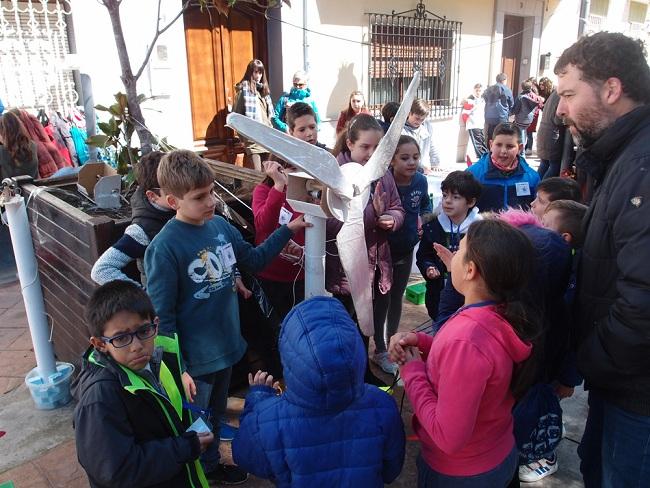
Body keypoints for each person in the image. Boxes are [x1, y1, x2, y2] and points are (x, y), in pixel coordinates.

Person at [144, 150, 309, 484]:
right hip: (195, 364)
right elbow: (164, 316)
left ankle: (210, 464)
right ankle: (197, 473)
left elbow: (255, 260)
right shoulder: (164, 249)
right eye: (200, 197)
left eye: (212, 191)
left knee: (215, 414)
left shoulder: (219, 226)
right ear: (173, 201)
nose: (211, 201)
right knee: (196, 421)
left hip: (226, 348)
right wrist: (179, 369)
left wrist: (288, 230)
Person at [554, 32, 650, 487]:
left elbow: (643, 300)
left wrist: (590, 357)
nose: (560, 110)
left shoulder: (643, 168)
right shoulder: (624, 158)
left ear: (611, 90)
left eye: (569, 94)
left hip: (637, 396)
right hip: (619, 384)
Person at [389, 219, 539, 487]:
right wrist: (424, 343)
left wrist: (412, 371)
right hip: (496, 453)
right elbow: (480, 364)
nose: (452, 256)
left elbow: (449, 437)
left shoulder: (467, 340)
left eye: (458, 250)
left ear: (470, 270)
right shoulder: (495, 314)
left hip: (462, 474)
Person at [232, 296, 405, 487]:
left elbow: (245, 456)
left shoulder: (267, 418)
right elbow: (391, 469)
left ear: (289, 357)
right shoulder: (382, 404)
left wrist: (258, 399)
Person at [72, 280, 212, 488]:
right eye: (121, 338)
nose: (137, 346)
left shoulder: (158, 359)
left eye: (144, 331)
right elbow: (117, 471)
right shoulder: (100, 397)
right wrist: (186, 447)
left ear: (155, 325)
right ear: (100, 344)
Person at [329, 114, 405, 386]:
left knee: (366, 325)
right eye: (365, 147)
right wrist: (374, 215)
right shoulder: (334, 174)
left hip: (376, 263)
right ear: (349, 143)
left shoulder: (382, 173)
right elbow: (332, 223)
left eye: (377, 148)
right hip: (347, 271)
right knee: (347, 326)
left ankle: (362, 374)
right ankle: (348, 378)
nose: (371, 154)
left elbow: (397, 206)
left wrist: (392, 219)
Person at [372, 135, 431, 375]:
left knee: (397, 298)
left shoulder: (421, 182)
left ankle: (395, 343)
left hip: (406, 250)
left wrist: (422, 218)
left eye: (415, 157)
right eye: (404, 157)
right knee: (381, 301)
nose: (411, 162)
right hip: (382, 252)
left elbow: (426, 206)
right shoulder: (381, 182)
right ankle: (379, 349)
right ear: (391, 160)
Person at [91, 151, 175, 286]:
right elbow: (102, 270)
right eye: (174, 190)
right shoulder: (143, 230)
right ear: (153, 195)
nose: (184, 193)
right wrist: (144, 297)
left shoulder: (182, 210)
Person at [416, 171, 482, 322]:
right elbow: (424, 255)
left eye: (455, 197)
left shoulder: (479, 229)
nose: (447, 201)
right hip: (439, 296)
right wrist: (429, 267)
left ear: (470, 202)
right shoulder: (434, 226)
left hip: (470, 299)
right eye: (445, 195)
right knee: (440, 330)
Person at [467, 122, 540, 212]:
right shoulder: (473, 175)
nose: (503, 151)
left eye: (510, 146)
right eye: (498, 145)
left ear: (520, 148)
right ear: (491, 145)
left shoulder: (532, 177)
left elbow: (537, 212)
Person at [233, 59, 275, 171]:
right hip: (253, 139)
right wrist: (243, 138)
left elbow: (268, 117)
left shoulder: (263, 91)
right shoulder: (244, 91)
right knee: (258, 174)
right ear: (249, 73)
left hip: (266, 138)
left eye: (260, 72)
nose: (258, 75)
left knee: (268, 173)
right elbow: (237, 118)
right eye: (255, 72)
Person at [401, 99, 441, 173]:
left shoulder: (427, 126)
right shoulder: (401, 130)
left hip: (426, 169)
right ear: (409, 113)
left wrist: (435, 163)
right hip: (408, 170)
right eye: (417, 118)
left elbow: (431, 145)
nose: (419, 122)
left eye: (422, 119)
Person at [0, 111, 38, 180]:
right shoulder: (32, 145)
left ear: (3, 133)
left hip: (11, 189)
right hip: (32, 188)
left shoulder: (2, 151)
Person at [512, 81, 544, 153]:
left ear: (522, 87)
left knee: (521, 135)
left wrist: (511, 113)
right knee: (527, 134)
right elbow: (540, 105)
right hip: (530, 119)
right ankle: (527, 148)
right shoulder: (535, 96)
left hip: (521, 119)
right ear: (531, 87)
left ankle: (521, 152)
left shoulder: (520, 97)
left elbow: (516, 110)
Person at [483, 73, 514, 141]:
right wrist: (509, 112)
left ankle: (491, 150)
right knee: (501, 135)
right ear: (504, 80)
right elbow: (511, 104)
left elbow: (484, 98)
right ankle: (498, 151)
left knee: (491, 135)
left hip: (489, 116)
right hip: (501, 116)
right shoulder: (507, 90)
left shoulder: (489, 89)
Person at [461, 83, 487, 159]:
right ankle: (481, 158)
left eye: (480, 90)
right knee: (477, 143)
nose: (478, 92)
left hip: (480, 124)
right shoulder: (470, 99)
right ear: (474, 90)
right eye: (477, 90)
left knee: (482, 141)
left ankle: (485, 157)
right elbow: (465, 111)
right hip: (473, 124)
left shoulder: (482, 99)